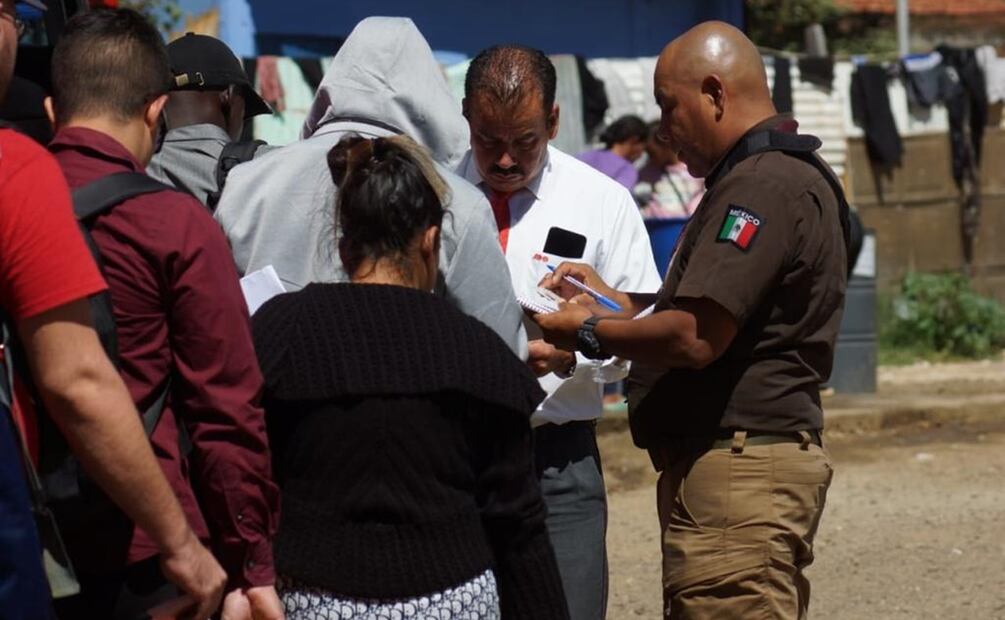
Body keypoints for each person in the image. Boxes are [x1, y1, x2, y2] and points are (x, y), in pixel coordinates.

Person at [534, 22, 848, 619]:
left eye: (668, 105)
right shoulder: (765, 176)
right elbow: (710, 314)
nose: (662, 127)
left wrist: (587, 331)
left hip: (739, 475)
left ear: (714, 93)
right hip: (734, 471)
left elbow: (696, 335)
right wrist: (613, 302)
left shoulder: (762, 184)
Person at [252, 134, 568, 620]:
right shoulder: (479, 353)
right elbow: (517, 523)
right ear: (431, 240)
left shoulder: (280, 333)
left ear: (343, 244)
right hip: (452, 603)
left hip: (310, 602)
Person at [44, 9, 281, 619]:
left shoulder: (15, 202)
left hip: (25, 532)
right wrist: (249, 563)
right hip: (149, 550)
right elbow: (226, 409)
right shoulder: (173, 224)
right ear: (155, 112)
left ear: (52, 109)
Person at [0, 2, 227, 619]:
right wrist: (201, 546)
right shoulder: (20, 175)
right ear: (158, 112)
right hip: (126, 542)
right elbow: (80, 380)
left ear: (53, 111)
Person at [458, 45, 661, 620]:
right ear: (465, 118)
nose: (502, 160)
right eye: (487, 139)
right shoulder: (432, 193)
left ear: (553, 120)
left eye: (524, 141)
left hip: (559, 465)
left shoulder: (603, 202)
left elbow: (642, 331)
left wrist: (576, 352)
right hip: (450, 461)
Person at [214, 17, 527, 359]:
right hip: (407, 406)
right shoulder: (455, 200)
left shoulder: (248, 182)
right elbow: (501, 350)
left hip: (267, 403)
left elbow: (213, 321)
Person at [147, 32, 274, 207]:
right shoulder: (270, 166)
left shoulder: (129, 169)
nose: (243, 122)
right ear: (229, 95)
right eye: (245, 111)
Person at [635, 120, 704, 218]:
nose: (649, 158)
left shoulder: (693, 169)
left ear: (666, 145)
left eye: (651, 153)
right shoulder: (645, 174)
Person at [576, 114, 648, 190]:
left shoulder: (587, 156)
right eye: (643, 147)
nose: (642, 154)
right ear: (634, 140)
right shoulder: (627, 171)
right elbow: (617, 198)